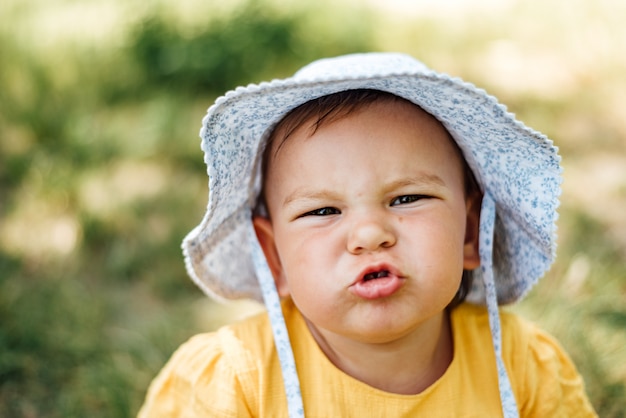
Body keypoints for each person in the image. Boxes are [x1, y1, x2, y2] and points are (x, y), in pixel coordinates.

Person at [138, 53, 597, 417]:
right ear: (273, 256)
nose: (370, 234)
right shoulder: (235, 384)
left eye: (407, 199)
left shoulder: (524, 368)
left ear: (471, 233)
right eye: (322, 210)